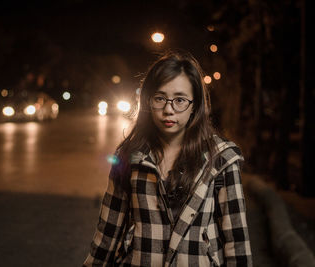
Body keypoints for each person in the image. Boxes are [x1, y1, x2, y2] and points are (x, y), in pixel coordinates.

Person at [83, 52, 253, 267]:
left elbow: (237, 242)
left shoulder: (221, 157)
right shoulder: (130, 156)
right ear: (148, 100)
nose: (168, 110)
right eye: (160, 98)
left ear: (195, 104)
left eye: (180, 100)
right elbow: (107, 233)